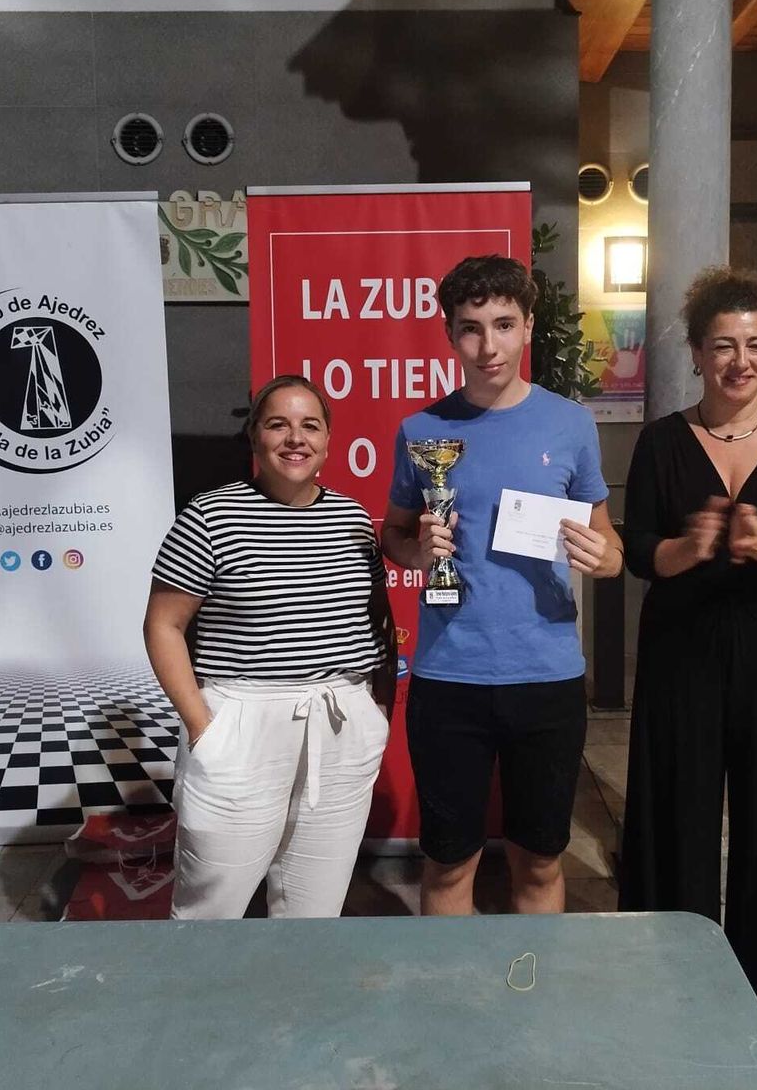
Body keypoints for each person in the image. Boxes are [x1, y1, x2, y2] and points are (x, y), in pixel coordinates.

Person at [616, 267, 757, 1070]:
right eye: (723, 346)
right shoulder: (662, 440)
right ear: (698, 354)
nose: (739, 361)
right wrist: (685, 549)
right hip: (684, 652)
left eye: (754, 345)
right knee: (673, 821)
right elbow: (638, 547)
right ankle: (667, 999)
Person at [381, 255, 623, 915]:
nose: (488, 346)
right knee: (448, 866)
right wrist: (417, 550)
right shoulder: (421, 431)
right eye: (470, 329)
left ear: (527, 326)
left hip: (545, 676)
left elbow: (610, 544)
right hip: (449, 677)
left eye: (503, 325)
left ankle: (534, 1010)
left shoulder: (570, 425)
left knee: (540, 864)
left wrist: (603, 558)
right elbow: (394, 534)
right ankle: (456, 1013)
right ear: (449, 334)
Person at [143, 375, 395, 919]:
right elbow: (162, 627)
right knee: (211, 908)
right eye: (278, 424)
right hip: (239, 723)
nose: (294, 438)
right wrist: (202, 728)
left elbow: (377, 621)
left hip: (341, 724)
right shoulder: (208, 517)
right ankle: (199, 1005)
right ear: (254, 437)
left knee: (315, 909)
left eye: (310, 425)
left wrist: (376, 714)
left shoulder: (352, 518)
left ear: (329, 441)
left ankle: (296, 1003)